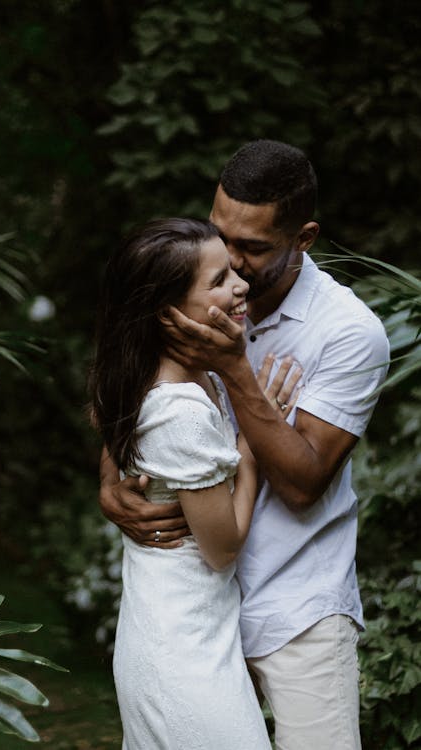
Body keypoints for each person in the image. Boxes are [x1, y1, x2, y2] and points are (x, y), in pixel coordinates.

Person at [99, 140, 390, 750]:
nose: (231, 261)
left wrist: (235, 370)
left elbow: (304, 484)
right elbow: (131, 379)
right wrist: (111, 476)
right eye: (220, 235)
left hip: (297, 605)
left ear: (304, 238)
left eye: (252, 248)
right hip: (196, 611)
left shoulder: (349, 333)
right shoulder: (196, 282)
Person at [94, 217, 295, 749]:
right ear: (167, 313)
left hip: (181, 631)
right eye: (218, 281)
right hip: (182, 652)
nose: (240, 285)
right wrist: (251, 445)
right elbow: (222, 548)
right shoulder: (178, 407)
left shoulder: (159, 373)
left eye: (232, 270)